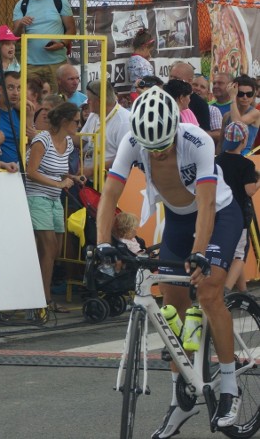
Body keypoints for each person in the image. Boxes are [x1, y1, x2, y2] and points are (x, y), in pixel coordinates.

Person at [96, 87, 244, 435]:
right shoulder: (135, 141)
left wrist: (200, 254)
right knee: (171, 305)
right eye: (152, 149)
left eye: (163, 146)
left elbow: (207, 205)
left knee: (207, 293)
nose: (158, 155)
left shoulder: (198, 141)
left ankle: (228, 387)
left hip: (219, 215)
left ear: (175, 129)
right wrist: (102, 243)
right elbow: (109, 194)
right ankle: (182, 396)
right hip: (178, 219)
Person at [25, 102, 83, 313]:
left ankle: (41, 295)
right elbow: (31, 171)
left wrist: (72, 177)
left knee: (54, 249)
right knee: (49, 247)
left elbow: (57, 171)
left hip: (53, 198)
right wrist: (59, 183)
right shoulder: (42, 140)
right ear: (65, 121)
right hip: (37, 196)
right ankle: (43, 299)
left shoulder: (67, 143)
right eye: (77, 121)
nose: (79, 125)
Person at [12, 0, 76, 91]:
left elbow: (71, 29)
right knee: (30, 100)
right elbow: (15, 37)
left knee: (57, 100)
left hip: (56, 63)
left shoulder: (59, 0)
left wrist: (62, 43)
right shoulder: (21, 5)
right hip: (30, 65)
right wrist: (20, 24)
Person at [215, 121, 260, 293]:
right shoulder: (246, 165)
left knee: (233, 253)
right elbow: (249, 191)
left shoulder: (217, 160)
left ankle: (244, 293)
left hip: (219, 214)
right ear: (244, 140)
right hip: (238, 215)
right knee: (240, 254)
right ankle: (226, 291)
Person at [79, 79, 131, 179]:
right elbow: (82, 140)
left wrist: (93, 169)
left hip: (111, 182)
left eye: (89, 99)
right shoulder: (94, 115)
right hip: (90, 181)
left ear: (99, 101)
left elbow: (124, 158)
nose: (87, 102)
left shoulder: (125, 121)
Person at [222, 75, 260, 155]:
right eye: (240, 94)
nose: (245, 97)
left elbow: (237, 125)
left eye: (249, 94)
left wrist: (232, 97)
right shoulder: (227, 116)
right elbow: (221, 142)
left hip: (245, 157)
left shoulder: (256, 113)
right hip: (225, 156)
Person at [169, 61, 211, 130]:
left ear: (190, 81)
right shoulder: (162, 97)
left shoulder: (200, 104)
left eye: (176, 78)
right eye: (171, 77)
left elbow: (203, 132)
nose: (172, 81)